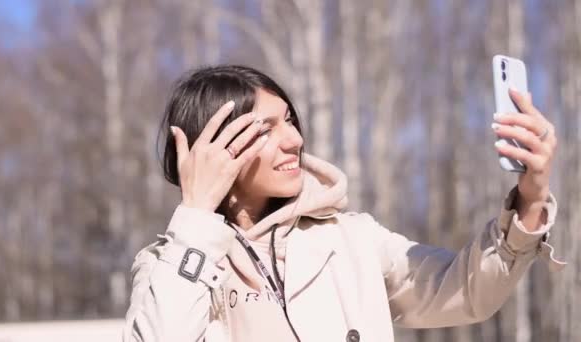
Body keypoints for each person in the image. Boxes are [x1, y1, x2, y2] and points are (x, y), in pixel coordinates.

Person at [122, 65, 565, 342]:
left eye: (290, 121)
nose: (294, 140)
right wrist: (197, 216)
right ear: (214, 149)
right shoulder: (174, 263)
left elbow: (467, 291)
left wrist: (531, 198)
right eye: (266, 129)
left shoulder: (350, 239)